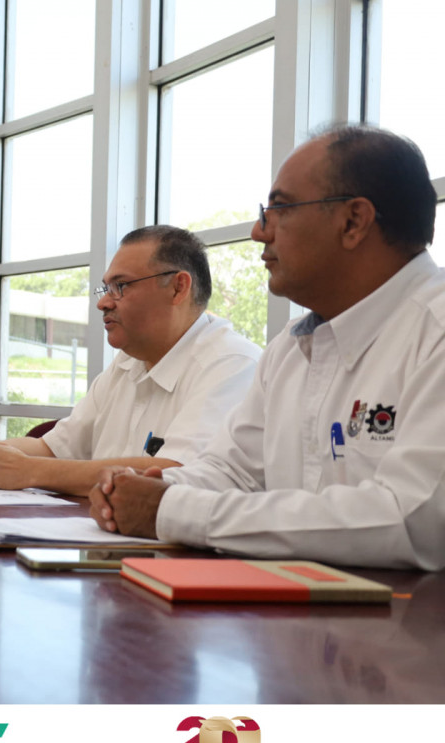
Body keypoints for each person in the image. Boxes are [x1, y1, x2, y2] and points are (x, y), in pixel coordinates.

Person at [89, 125, 445, 570]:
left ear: (353, 221)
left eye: (278, 209)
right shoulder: (291, 348)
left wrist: (170, 509)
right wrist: (149, 487)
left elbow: (410, 519)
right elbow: (232, 470)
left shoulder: (434, 333)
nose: (259, 231)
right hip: (290, 604)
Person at [0, 225, 260, 496]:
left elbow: (175, 474)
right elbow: (51, 448)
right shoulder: (127, 362)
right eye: (105, 288)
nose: (103, 302)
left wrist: (29, 471)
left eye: (121, 286)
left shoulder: (231, 363)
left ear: (178, 287)